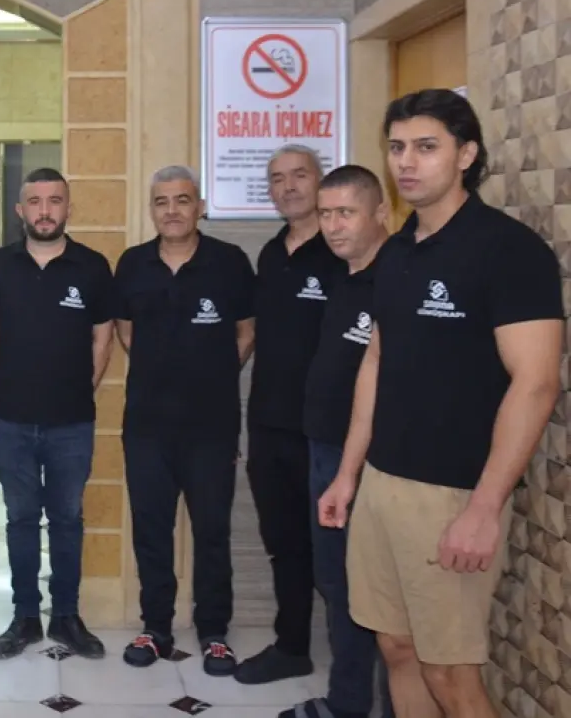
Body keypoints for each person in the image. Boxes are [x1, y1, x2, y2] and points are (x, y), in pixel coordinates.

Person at [319, 89, 562, 718]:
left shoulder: (508, 250)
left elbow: (536, 383)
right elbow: (377, 360)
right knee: (397, 648)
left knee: (451, 674)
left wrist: (484, 508)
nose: (406, 162)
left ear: (466, 154)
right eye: (397, 147)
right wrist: (349, 473)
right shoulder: (399, 249)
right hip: (383, 484)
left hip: (453, 494)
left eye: (426, 147)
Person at [114, 165, 255, 676]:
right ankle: (156, 627)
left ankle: (214, 631)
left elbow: (246, 331)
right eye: (161, 201)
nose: (171, 210)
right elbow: (125, 329)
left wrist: (212, 374)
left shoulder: (230, 262)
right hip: (147, 426)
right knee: (151, 530)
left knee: (212, 531)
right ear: (152, 209)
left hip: (211, 427)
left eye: (182, 200)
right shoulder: (133, 264)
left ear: (200, 206)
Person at [0, 167, 114, 660]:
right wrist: (3, 390)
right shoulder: (1, 264)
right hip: (10, 419)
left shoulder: (92, 267)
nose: (44, 211)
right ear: (21, 210)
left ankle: (66, 617)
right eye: (34, 202)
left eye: (54, 201)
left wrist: (80, 389)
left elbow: (103, 338)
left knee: (67, 519)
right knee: (20, 519)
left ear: (67, 208)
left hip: (71, 421)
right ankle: (24, 617)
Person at [284, 165, 394, 718]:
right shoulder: (345, 277)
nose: (332, 226)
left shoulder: (395, 281)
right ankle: (348, 702)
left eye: (346, 213)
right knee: (337, 581)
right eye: (325, 214)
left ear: (381, 213)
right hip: (325, 449)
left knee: (382, 596)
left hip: (373, 462)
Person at [237, 144, 343, 685]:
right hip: (269, 422)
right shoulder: (271, 253)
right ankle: (293, 646)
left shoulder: (342, 251)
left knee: (336, 555)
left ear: (319, 180)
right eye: (277, 178)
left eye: (299, 175)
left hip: (328, 431)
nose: (288, 187)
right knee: (284, 543)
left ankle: (356, 669)